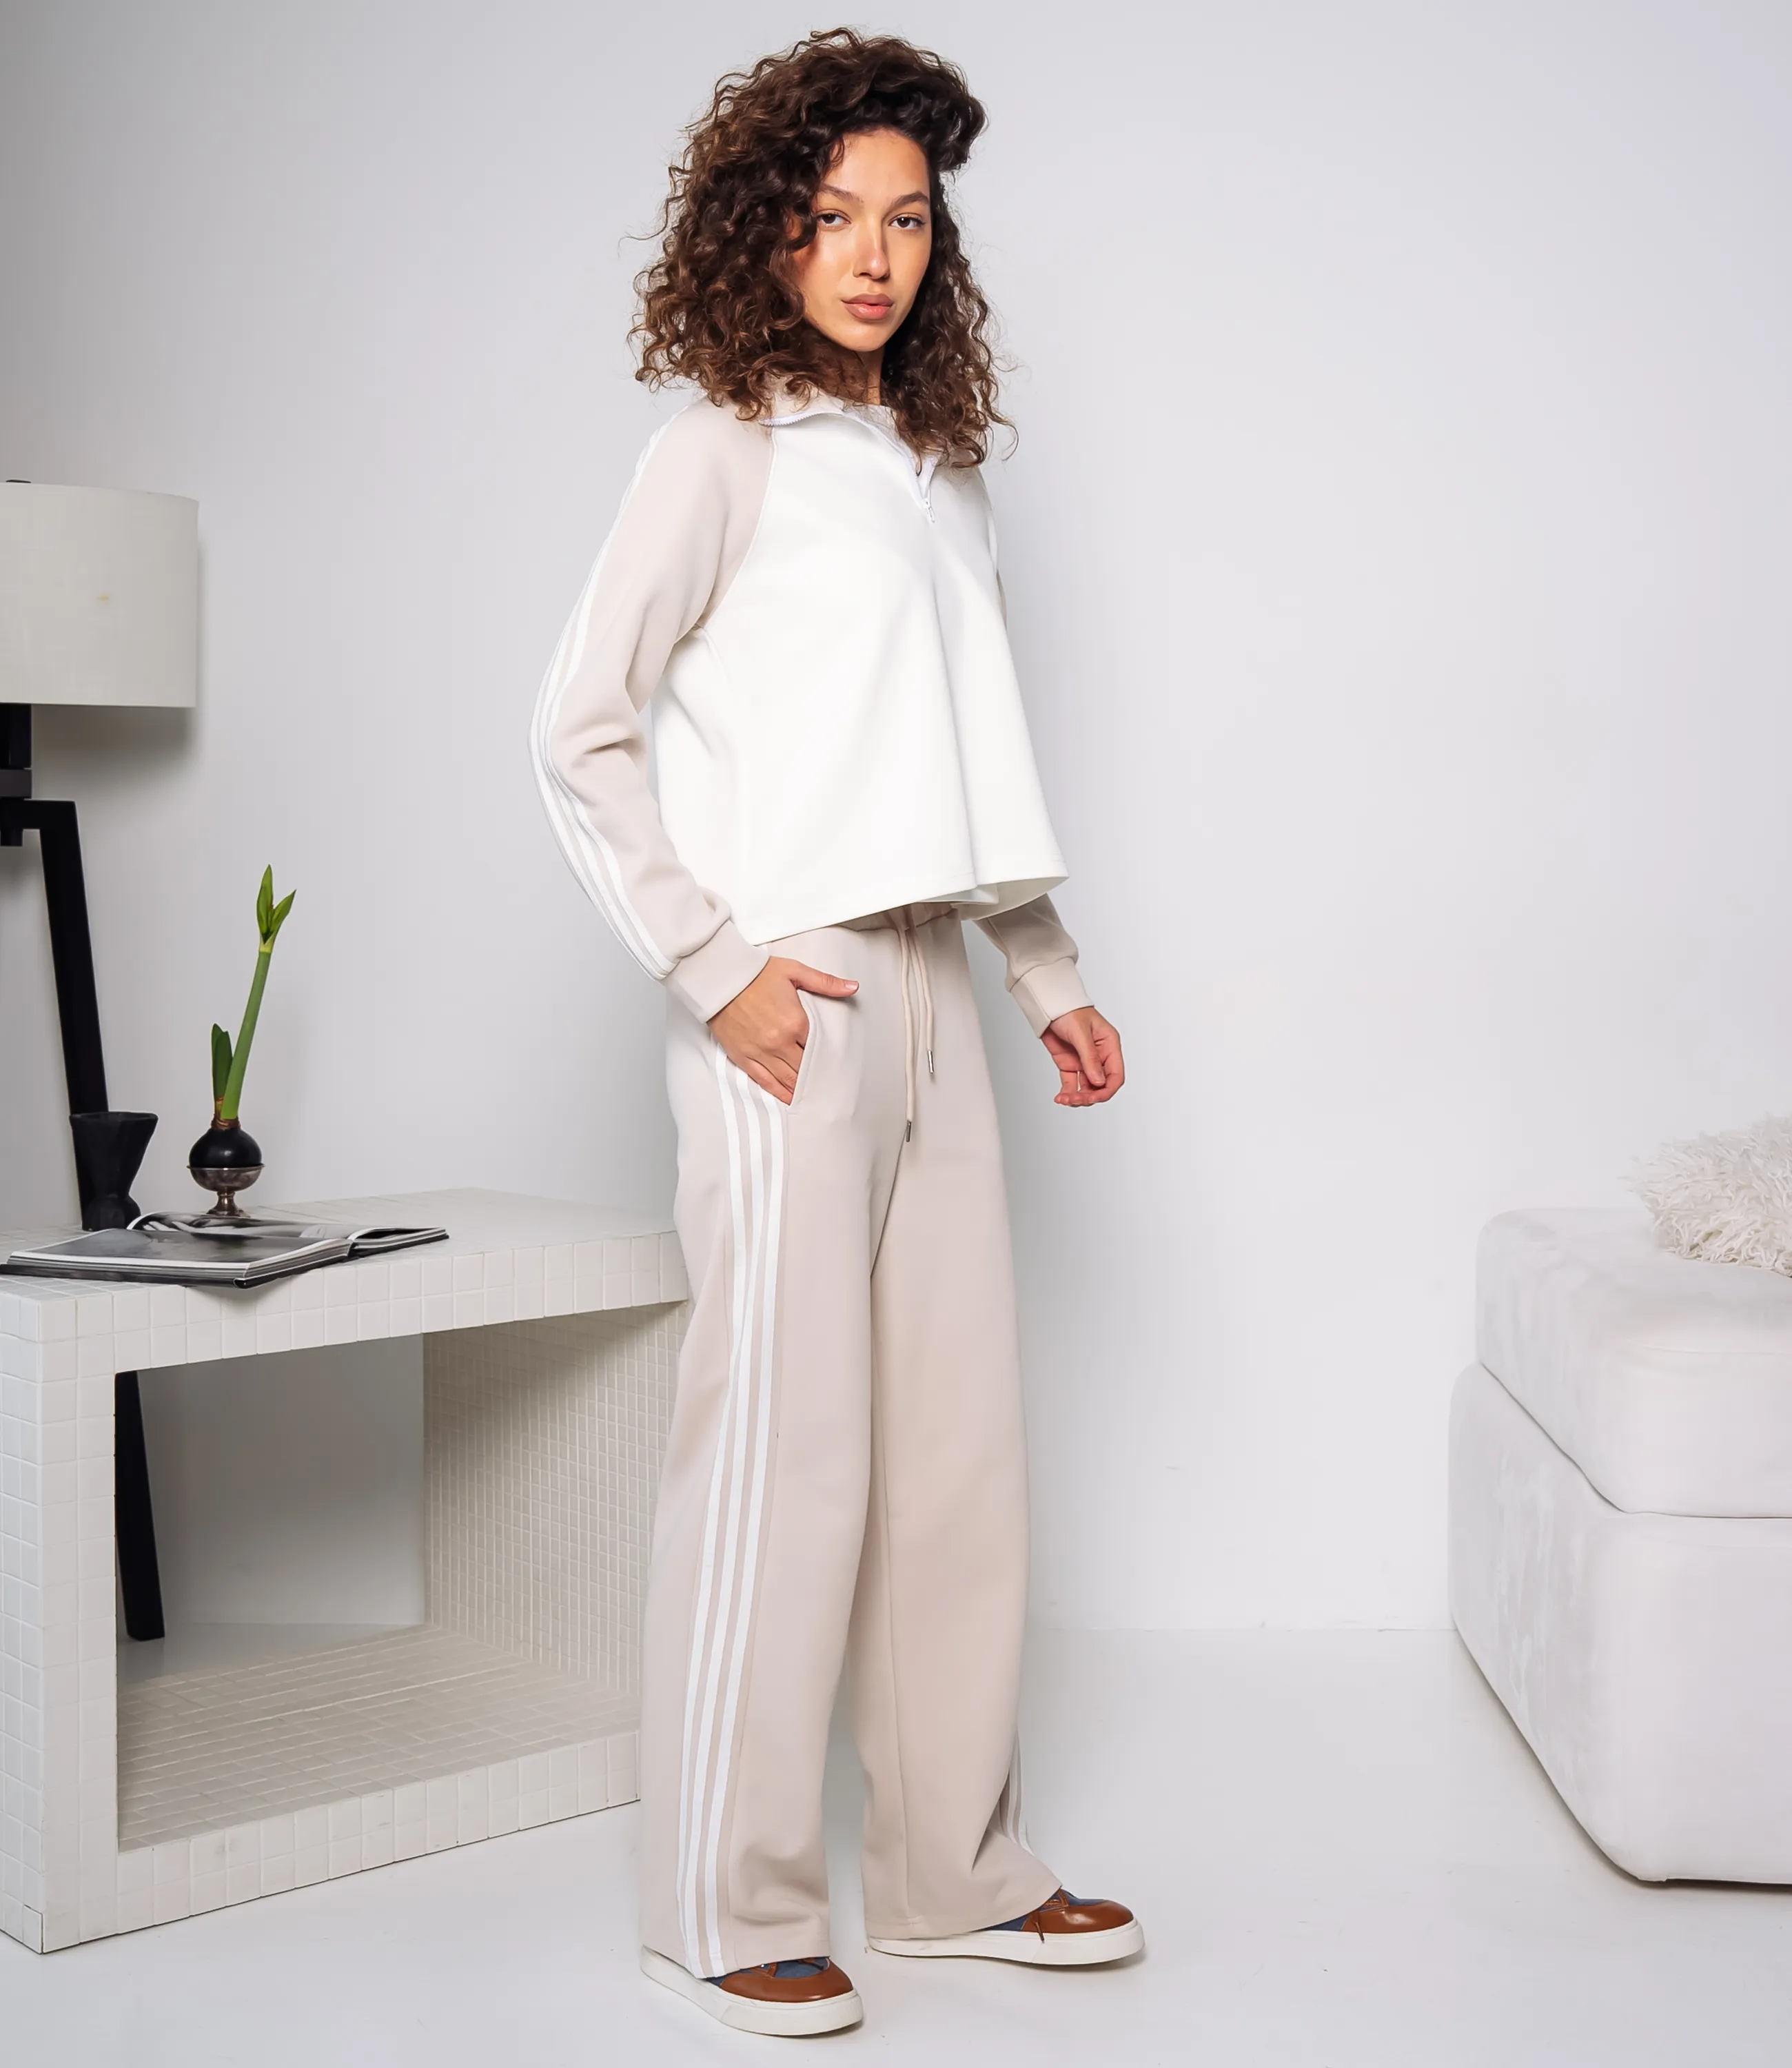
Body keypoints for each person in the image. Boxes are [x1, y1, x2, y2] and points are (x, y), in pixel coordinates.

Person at [532, 27, 1139, 2039]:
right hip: (787, 996)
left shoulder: (938, 475)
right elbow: (575, 729)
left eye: (909, 221)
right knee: (783, 1455)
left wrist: (1046, 976)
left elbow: (959, 761)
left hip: (939, 983)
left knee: (955, 1455)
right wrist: (711, 966)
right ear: (763, 231)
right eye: (833, 216)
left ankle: (956, 1872)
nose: (875, 256)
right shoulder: (718, 449)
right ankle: (722, 1901)